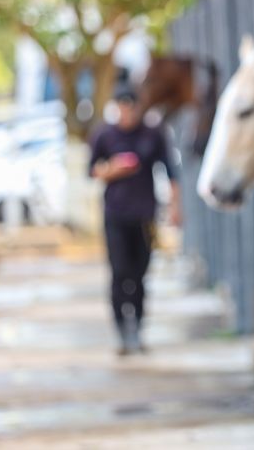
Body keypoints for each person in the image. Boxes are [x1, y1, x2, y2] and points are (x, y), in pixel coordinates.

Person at [89, 84, 182, 355]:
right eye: (122, 107)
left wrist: (176, 207)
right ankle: (121, 330)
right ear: (116, 107)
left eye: (131, 106)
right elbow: (93, 171)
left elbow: (171, 172)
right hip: (115, 215)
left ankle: (137, 329)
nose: (127, 112)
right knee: (119, 273)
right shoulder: (104, 135)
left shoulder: (153, 134)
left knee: (140, 275)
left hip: (144, 216)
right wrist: (113, 169)